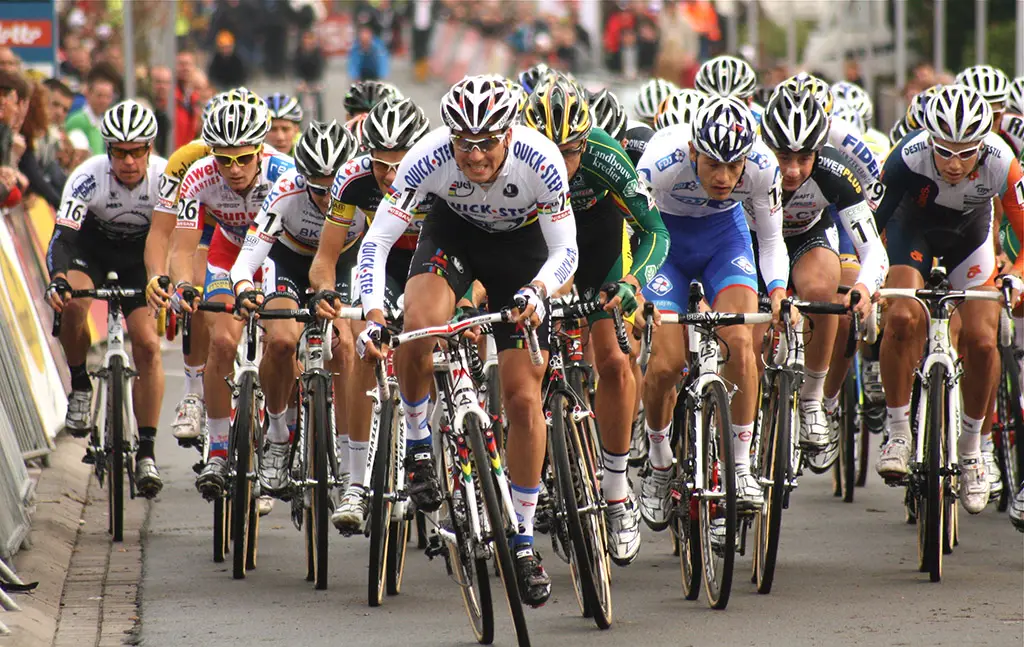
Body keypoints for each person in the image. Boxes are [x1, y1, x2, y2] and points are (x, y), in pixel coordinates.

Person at [346, 75, 578, 607]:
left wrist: (539, 291)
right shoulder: (427, 157)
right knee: (417, 326)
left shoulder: (540, 159)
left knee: (523, 399)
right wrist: (375, 313)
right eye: (464, 143)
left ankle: (521, 540)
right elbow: (376, 244)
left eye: (487, 143)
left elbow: (566, 251)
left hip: (520, 254)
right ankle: (420, 445)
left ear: (509, 133)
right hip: (452, 238)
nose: (474, 156)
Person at [522, 74, 669, 565]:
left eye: (571, 151)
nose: (561, 165)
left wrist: (633, 283)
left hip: (596, 243)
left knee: (612, 358)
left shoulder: (606, 156)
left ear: (586, 141)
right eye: (550, 150)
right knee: (523, 369)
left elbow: (654, 231)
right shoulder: (510, 159)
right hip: (538, 249)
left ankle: (615, 491)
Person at [637, 96, 788, 527]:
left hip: (725, 241)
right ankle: (660, 458)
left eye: (733, 166)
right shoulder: (660, 161)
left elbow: (772, 240)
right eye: (712, 166)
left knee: (741, 343)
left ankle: (740, 464)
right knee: (666, 363)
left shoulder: (762, 165)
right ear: (692, 153)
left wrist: (777, 291)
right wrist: (636, 290)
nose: (724, 178)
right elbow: (637, 231)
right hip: (664, 244)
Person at [874, 85, 1024, 515]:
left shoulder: (1002, 162)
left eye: (966, 152)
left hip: (970, 237)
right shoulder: (906, 156)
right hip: (912, 231)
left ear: (983, 144)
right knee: (902, 316)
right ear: (929, 140)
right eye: (945, 152)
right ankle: (899, 429)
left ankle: (974, 448)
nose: (955, 164)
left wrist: (1013, 275)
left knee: (980, 339)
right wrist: (868, 281)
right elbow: (869, 227)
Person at [310, 97, 432, 533]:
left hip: (432, 259)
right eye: (381, 164)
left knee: (432, 339)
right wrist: (325, 290)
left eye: (399, 164)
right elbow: (326, 256)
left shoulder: (443, 170)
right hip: (378, 260)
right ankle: (356, 485)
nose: (390, 176)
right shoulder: (353, 179)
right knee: (363, 339)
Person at [167, 100, 294, 499]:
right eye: (225, 159)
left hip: (277, 253)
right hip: (227, 253)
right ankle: (219, 449)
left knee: (283, 342)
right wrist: (183, 284)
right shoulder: (199, 176)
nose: (234, 168)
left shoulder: (284, 173)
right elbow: (183, 248)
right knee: (222, 340)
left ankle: (278, 431)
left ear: (260, 150)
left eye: (243, 158)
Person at [757, 88, 888, 470]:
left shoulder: (834, 173)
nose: (793, 170)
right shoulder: (746, 167)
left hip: (804, 236)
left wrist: (863, 289)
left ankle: (813, 399)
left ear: (819, 152)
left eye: (803, 158)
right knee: (744, 325)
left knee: (823, 290)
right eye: (783, 157)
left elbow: (872, 251)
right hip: (747, 240)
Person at [230, 121, 359, 503]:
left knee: (348, 344)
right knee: (282, 341)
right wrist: (242, 288)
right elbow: (247, 258)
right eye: (318, 189)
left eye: (335, 188)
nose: (327, 198)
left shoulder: (364, 194)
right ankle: (277, 436)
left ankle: (349, 452)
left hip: (343, 265)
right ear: (303, 179)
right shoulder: (285, 190)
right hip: (288, 262)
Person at [44, 100, 167, 497]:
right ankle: (80, 384)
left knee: (148, 345)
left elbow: (177, 241)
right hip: (92, 250)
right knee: (75, 303)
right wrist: (58, 280)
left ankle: (146, 451)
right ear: (107, 149)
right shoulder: (87, 176)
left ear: (150, 149)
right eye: (119, 151)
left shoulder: (166, 178)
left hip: (141, 258)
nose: (128, 161)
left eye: (137, 151)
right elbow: (62, 237)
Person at [65, 66, 118, 155]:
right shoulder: (77, 120)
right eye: (99, 96)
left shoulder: (106, 121)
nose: (103, 101)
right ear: (88, 94)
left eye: (108, 97)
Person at [294, 30, 325, 120]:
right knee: (298, 97)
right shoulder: (298, 52)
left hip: (314, 79)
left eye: (310, 39)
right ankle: (297, 119)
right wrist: (301, 81)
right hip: (302, 79)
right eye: (306, 39)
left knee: (319, 98)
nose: (308, 42)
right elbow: (295, 69)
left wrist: (316, 83)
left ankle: (320, 121)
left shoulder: (318, 52)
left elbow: (320, 69)